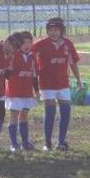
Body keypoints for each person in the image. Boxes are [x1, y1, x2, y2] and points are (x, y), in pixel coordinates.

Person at [31, 17, 81, 152]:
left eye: (56, 30)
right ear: (47, 31)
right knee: (50, 111)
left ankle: (61, 142)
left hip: (63, 83)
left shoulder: (68, 44)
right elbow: (27, 53)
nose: (53, 32)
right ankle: (47, 143)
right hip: (46, 83)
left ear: (61, 31)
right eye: (51, 30)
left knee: (65, 110)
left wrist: (78, 80)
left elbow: (73, 63)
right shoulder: (41, 44)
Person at [5, 31, 37, 151]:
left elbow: (34, 75)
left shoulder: (32, 56)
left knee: (24, 116)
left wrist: (36, 90)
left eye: (29, 42)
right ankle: (13, 144)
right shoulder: (14, 55)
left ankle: (25, 142)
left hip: (27, 92)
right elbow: (7, 73)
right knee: (14, 116)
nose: (27, 45)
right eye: (24, 43)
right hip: (15, 92)